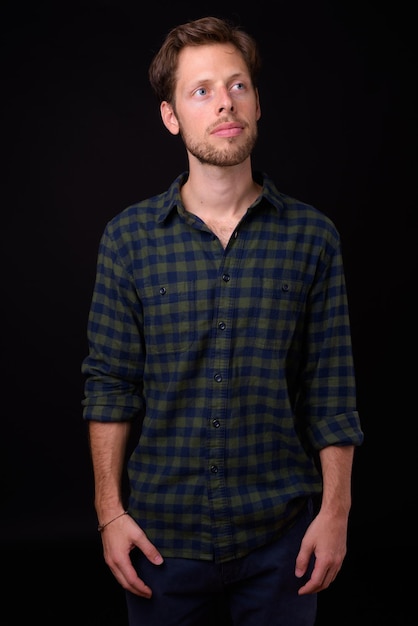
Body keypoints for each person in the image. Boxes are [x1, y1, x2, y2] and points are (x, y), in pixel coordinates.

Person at [81, 15, 364, 626]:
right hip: (159, 543)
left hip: (283, 545)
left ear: (258, 103)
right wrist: (110, 513)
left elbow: (332, 390)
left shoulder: (313, 237)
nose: (224, 104)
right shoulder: (128, 240)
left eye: (237, 86)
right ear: (172, 116)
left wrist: (335, 512)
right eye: (201, 90)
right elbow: (109, 385)